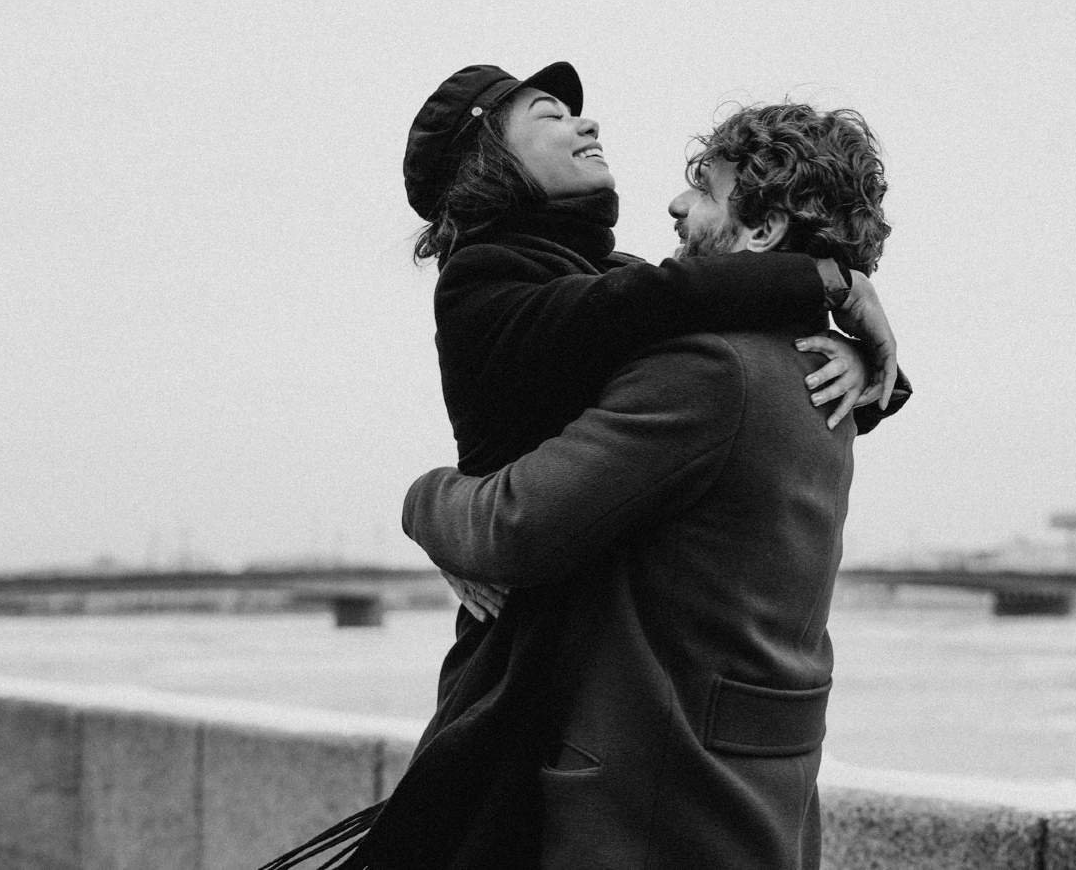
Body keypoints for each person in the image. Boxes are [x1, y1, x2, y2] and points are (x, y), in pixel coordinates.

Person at [257, 66, 903, 870]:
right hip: (754, 776)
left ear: (763, 228)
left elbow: (513, 526)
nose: (672, 205)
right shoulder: (808, 364)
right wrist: (846, 304)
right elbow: (652, 300)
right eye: (550, 113)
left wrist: (425, 500)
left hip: (657, 794)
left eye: (701, 190)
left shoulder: (708, 368)